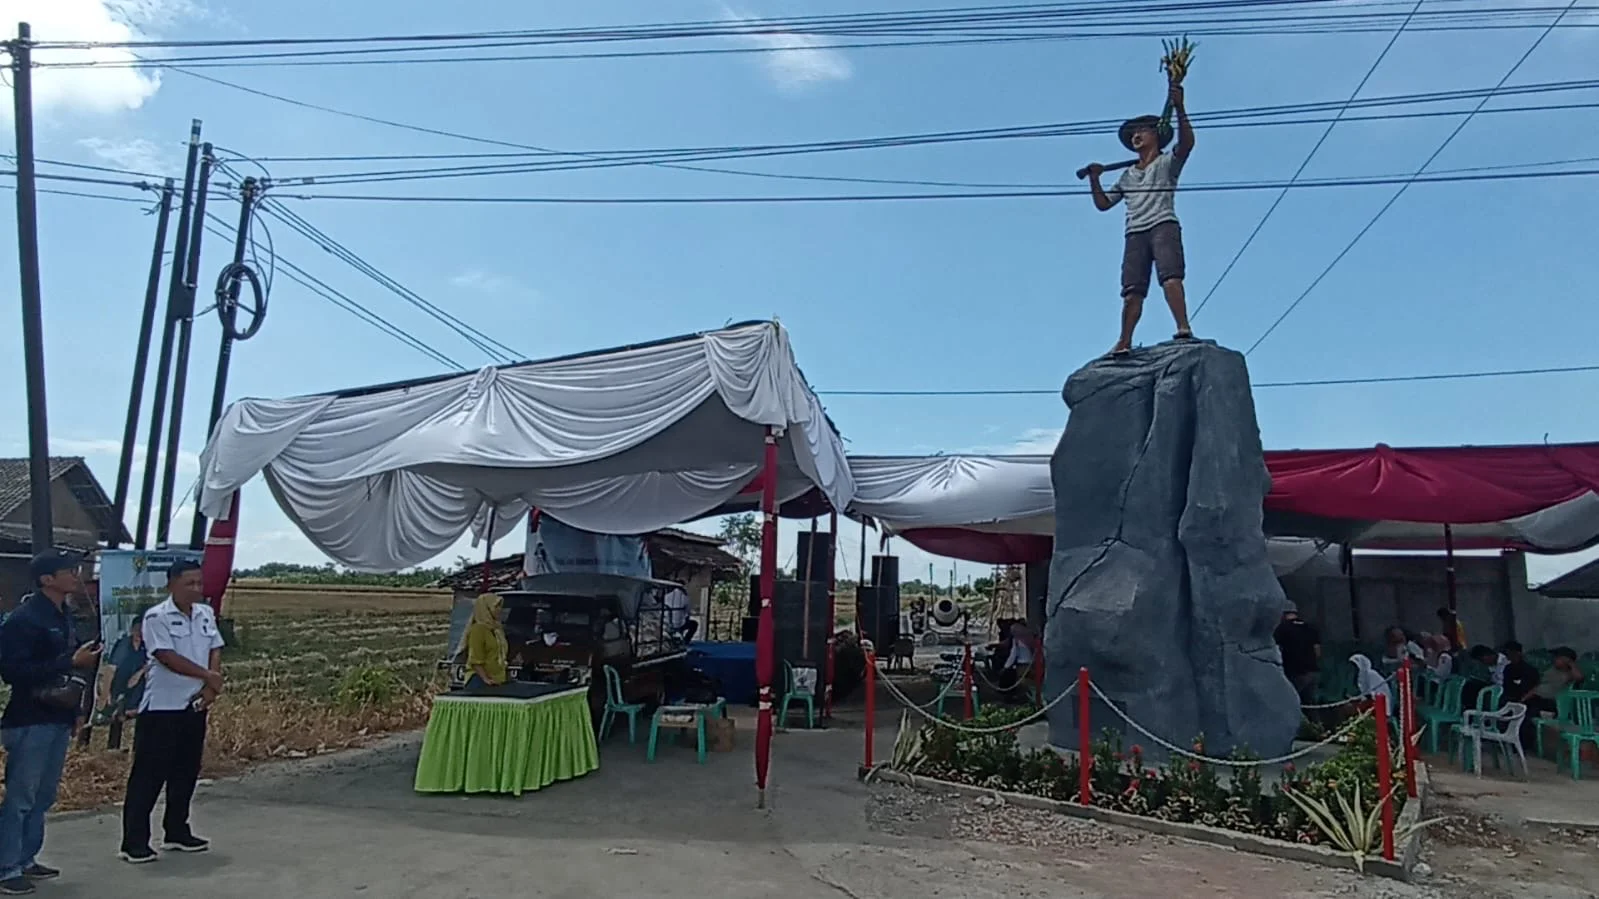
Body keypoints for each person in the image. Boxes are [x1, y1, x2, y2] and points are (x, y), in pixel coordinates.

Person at [0, 553, 102, 895]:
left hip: (57, 716)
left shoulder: (65, 615)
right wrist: (68, 660)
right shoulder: (24, 620)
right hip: (30, 718)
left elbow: (73, 670)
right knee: (21, 797)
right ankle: (7, 866)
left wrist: (76, 712)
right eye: (68, 571)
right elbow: (12, 672)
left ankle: (27, 857)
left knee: (43, 796)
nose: (75, 576)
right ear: (47, 579)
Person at [119, 560, 224, 864]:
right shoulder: (157, 617)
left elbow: (215, 647)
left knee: (186, 771)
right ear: (171, 585)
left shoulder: (205, 613)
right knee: (149, 775)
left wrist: (211, 686)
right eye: (189, 583)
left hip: (194, 705)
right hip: (162, 708)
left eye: (199, 583)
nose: (196, 589)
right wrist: (207, 676)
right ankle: (134, 841)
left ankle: (177, 830)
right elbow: (165, 656)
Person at [1086, 83, 1196, 356]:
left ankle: (1183, 326)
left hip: (1162, 224)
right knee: (1132, 290)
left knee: (1171, 277)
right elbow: (1103, 204)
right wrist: (1094, 179)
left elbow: (1187, 144)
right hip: (1135, 232)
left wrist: (1180, 107)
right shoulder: (1127, 175)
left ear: (1156, 135)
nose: (1136, 136)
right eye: (1133, 133)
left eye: (1141, 131)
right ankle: (1125, 339)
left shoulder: (1166, 163)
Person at [1274, 603, 1322, 708]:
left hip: (1294, 673)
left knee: (1292, 705)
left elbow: (1276, 651)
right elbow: (1317, 652)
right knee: (1312, 706)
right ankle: (1316, 723)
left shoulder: (1281, 629)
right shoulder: (1310, 627)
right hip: (1312, 671)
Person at [464, 592, 508, 689]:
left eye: (500, 607)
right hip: (480, 681)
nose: (499, 610)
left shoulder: (497, 630)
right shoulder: (478, 630)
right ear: (486, 609)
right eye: (496, 607)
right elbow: (475, 659)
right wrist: (486, 679)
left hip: (497, 679)